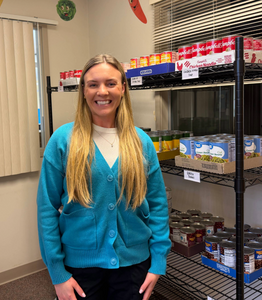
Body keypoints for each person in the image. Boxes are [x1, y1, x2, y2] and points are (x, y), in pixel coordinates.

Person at [37, 54, 171, 300]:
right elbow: (46, 209)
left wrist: (158, 261)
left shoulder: (141, 142)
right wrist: (57, 273)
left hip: (133, 266)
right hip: (79, 268)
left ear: (122, 88)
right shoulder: (62, 140)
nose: (102, 91)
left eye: (110, 83)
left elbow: (158, 204)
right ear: (83, 91)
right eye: (93, 84)